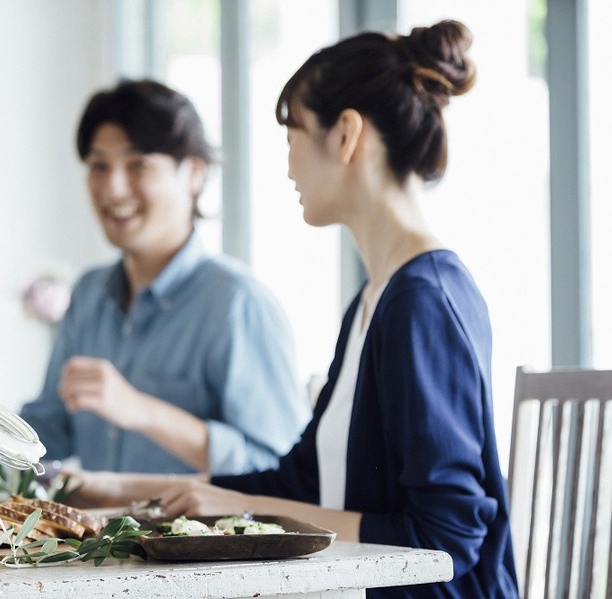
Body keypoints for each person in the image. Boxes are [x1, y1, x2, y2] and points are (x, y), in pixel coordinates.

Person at [62, 22, 519, 598]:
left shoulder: (422, 301)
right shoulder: (377, 299)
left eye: (292, 134)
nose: (288, 167)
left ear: (346, 134)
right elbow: (303, 481)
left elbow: (445, 537)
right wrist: (119, 487)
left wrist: (242, 506)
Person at [19, 79, 311, 476]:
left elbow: (281, 468)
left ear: (194, 174)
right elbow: (48, 433)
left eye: (137, 165)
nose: (113, 189)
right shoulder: (88, 294)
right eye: (99, 166)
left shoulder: (238, 304)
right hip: (96, 522)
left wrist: (144, 412)